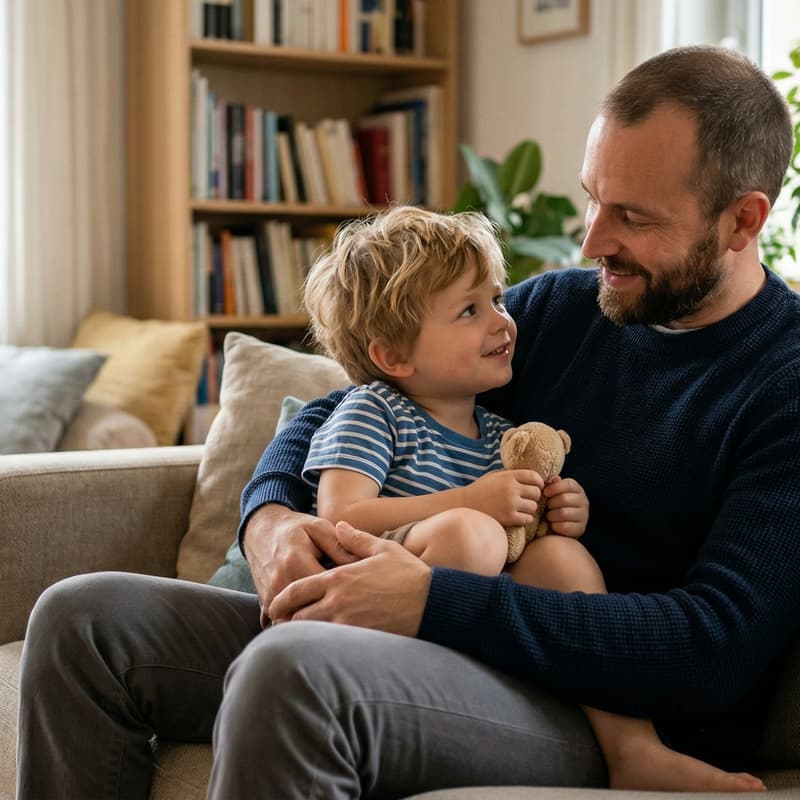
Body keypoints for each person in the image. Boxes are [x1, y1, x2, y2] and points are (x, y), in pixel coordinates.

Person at [16, 44, 800, 799]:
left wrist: (432, 600)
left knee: (293, 673)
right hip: (449, 634)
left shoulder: (784, 382)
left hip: (603, 707)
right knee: (83, 622)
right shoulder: (567, 310)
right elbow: (343, 406)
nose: (591, 240)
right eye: (592, 196)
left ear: (741, 220)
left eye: (630, 215)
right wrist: (271, 520)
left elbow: (714, 646)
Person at [299, 203, 763, 793]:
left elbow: (524, 538)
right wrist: (468, 500)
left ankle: (632, 746)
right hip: (376, 583)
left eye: (496, 298)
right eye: (472, 310)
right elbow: (339, 518)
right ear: (392, 355)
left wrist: (562, 511)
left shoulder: (499, 430)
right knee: (472, 532)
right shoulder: (373, 410)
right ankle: (416, 685)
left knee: (560, 556)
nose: (503, 320)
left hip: (483, 617)